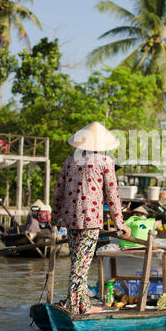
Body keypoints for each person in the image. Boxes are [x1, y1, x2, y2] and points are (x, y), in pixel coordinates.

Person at [52, 122, 131, 315]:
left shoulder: (70, 160)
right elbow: (112, 195)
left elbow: (58, 192)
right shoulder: (105, 162)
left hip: (70, 219)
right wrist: (120, 223)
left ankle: (84, 305)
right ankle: (72, 308)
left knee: (78, 263)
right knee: (80, 266)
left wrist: (55, 218)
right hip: (89, 221)